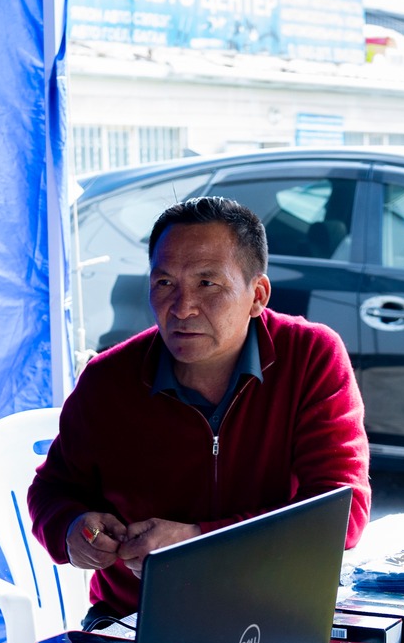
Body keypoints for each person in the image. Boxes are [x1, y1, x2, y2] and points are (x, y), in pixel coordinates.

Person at [27, 196, 371, 620]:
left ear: (257, 295)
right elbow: (52, 490)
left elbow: (341, 513)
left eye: (207, 283)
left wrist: (198, 540)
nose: (182, 307)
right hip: (137, 618)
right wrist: (72, 530)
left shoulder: (309, 357)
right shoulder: (108, 380)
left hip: (276, 611)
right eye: (164, 283)